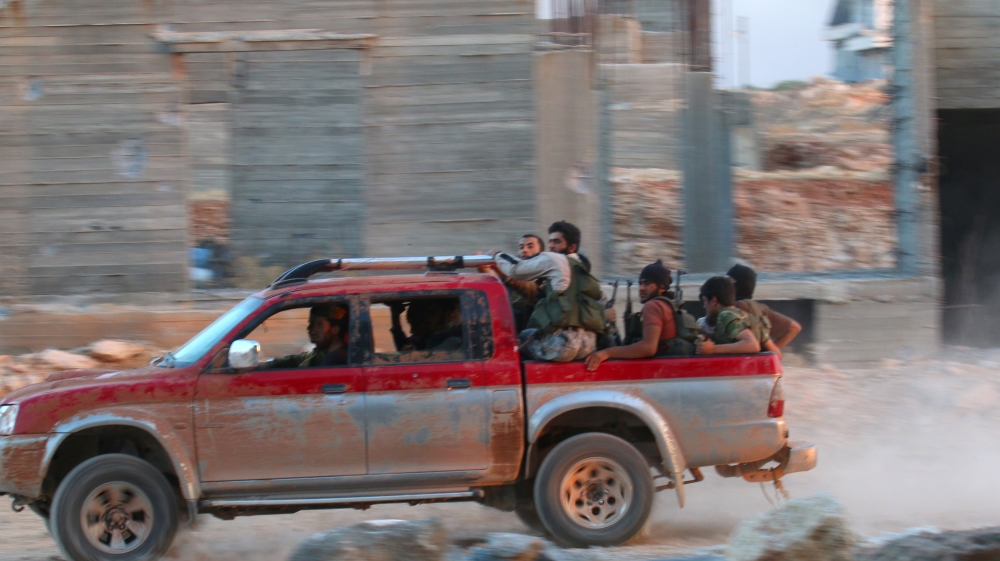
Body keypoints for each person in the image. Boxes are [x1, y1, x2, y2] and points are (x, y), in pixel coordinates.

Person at [490, 243, 607, 362]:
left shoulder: (556, 263)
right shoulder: (589, 286)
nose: (551, 245)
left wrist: (497, 255)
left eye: (530, 246)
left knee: (521, 338)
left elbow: (517, 271)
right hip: (589, 347)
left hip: (562, 345)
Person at [585, 260, 685, 370]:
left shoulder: (653, 306)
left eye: (647, 284)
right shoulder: (668, 305)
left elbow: (648, 348)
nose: (641, 288)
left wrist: (606, 353)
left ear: (662, 287)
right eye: (640, 284)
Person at [695, 276, 777, 356]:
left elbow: (752, 344)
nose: (704, 306)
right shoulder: (748, 317)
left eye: (705, 300)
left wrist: (713, 349)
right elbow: (776, 354)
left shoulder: (726, 315)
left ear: (714, 301)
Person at [727, 264, 802, 350]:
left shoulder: (734, 307)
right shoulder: (759, 308)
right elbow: (794, 328)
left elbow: (794, 328)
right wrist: (768, 353)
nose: (724, 286)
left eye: (728, 281)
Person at [489, 234, 545, 332]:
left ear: (541, 253)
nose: (524, 250)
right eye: (521, 247)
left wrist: (498, 256)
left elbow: (532, 290)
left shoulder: (546, 277)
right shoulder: (512, 274)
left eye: (530, 247)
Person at [268, 304, 349, 368]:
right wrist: (270, 364)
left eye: (319, 325)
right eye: (311, 323)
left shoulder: (335, 360)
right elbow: (305, 358)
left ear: (335, 330)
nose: (310, 329)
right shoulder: (324, 353)